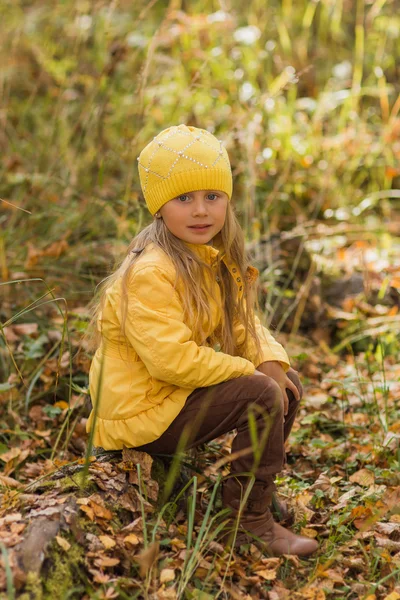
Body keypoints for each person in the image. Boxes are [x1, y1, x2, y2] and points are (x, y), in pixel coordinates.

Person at [86, 124, 318, 557]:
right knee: (260, 394)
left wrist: (268, 359)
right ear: (159, 207)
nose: (201, 211)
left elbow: (243, 323)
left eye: (213, 196)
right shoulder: (153, 271)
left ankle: (251, 494)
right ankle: (248, 523)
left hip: (169, 399)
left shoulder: (205, 257)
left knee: (284, 383)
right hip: (142, 413)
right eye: (184, 198)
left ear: (227, 200)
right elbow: (170, 361)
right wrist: (250, 373)